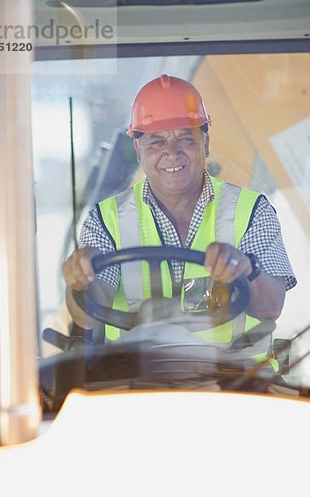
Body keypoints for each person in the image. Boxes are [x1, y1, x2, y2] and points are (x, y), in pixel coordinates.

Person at [62, 74, 296, 349]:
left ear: (206, 144)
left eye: (185, 139)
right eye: (156, 142)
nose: (172, 152)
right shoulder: (106, 220)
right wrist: (80, 282)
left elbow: (271, 308)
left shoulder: (252, 211)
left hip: (234, 380)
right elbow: (86, 317)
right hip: (137, 382)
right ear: (139, 150)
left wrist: (248, 269)